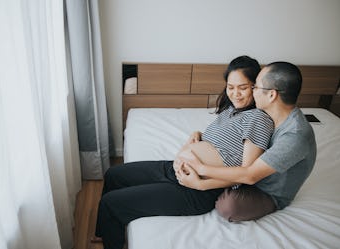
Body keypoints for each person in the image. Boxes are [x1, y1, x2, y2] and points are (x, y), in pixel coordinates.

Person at [94, 55, 274, 249]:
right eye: (231, 87)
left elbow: (245, 174)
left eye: (243, 87)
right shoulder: (231, 110)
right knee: (113, 175)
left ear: (256, 87)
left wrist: (200, 184)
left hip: (195, 189)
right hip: (176, 168)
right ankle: (106, 232)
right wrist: (199, 135)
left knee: (111, 203)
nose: (235, 94)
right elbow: (226, 144)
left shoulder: (258, 119)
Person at [177, 61, 317, 222]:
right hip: (252, 174)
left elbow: (250, 175)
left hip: (267, 190)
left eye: (255, 87)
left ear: (271, 95)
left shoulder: (295, 135)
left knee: (228, 207)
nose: (252, 92)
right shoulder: (271, 114)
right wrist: (200, 135)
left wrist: (201, 170)